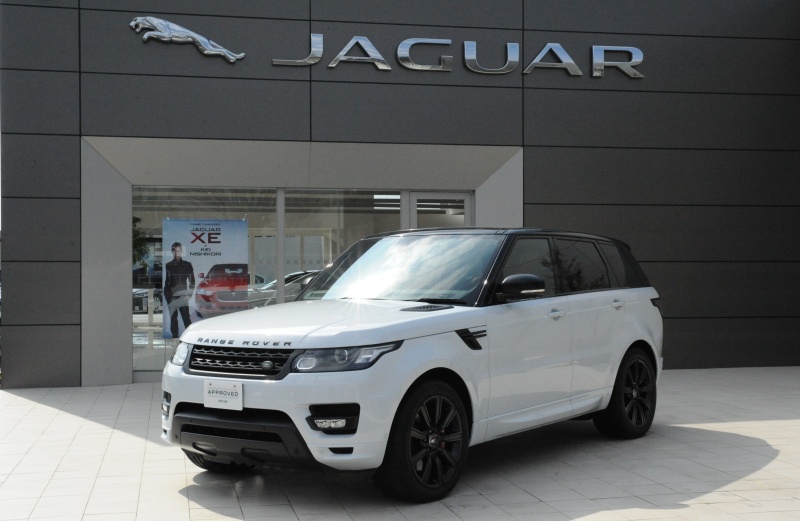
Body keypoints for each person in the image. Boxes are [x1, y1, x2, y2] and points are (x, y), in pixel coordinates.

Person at [164, 242, 195, 338]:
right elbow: (167, 281)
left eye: (178, 251)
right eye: (174, 251)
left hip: (182, 296)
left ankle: (190, 338)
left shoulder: (187, 265)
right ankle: (175, 339)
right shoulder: (168, 265)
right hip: (171, 296)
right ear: (172, 251)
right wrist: (167, 295)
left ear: (181, 251)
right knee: (173, 320)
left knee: (186, 319)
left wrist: (189, 295)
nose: (176, 253)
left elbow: (192, 281)